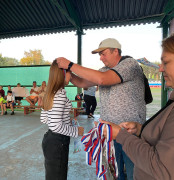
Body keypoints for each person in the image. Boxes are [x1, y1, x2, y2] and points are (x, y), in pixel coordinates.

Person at [56, 38, 146, 180]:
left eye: (103, 54)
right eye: (99, 55)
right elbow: (82, 82)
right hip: (109, 133)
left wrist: (70, 65)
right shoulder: (104, 70)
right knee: (115, 173)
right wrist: (70, 75)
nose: (100, 58)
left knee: (134, 173)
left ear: (115, 51)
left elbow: (102, 79)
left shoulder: (130, 64)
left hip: (130, 132)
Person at [100, 34, 174, 180]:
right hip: (125, 133)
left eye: (165, 62)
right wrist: (140, 129)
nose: (160, 69)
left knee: (129, 167)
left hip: (124, 136)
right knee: (117, 170)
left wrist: (121, 135)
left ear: (116, 52)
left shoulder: (130, 64)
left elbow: (161, 168)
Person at [40, 60, 84, 180]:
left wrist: (65, 120)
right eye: (70, 73)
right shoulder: (59, 94)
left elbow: (44, 118)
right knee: (58, 176)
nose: (71, 76)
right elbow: (55, 125)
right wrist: (76, 131)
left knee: (53, 175)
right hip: (57, 142)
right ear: (63, 74)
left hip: (51, 140)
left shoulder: (51, 92)